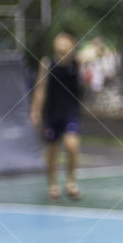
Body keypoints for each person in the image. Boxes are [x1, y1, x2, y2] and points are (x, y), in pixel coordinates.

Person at [30, 31, 83, 201]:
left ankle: (70, 181)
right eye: (59, 41)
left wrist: (98, 48)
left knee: (72, 145)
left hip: (70, 113)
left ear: (72, 45)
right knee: (52, 152)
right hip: (52, 114)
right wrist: (35, 111)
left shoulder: (77, 63)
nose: (62, 45)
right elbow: (40, 89)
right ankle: (52, 184)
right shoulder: (47, 64)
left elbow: (92, 54)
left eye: (65, 42)